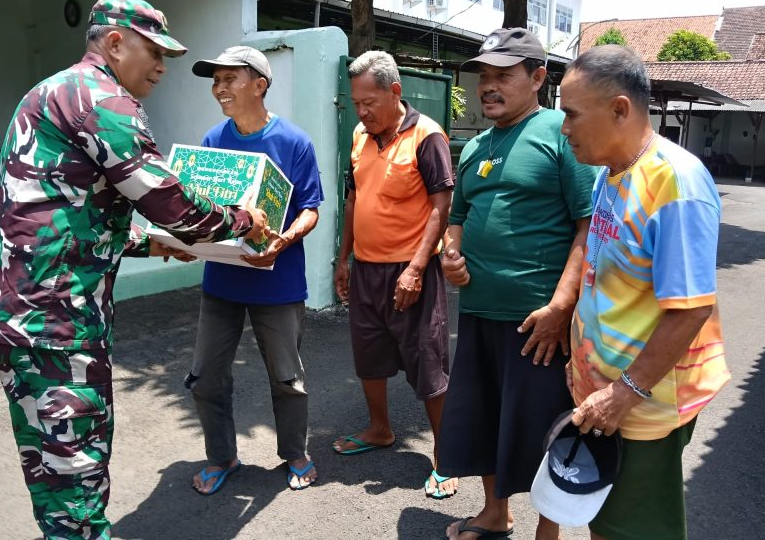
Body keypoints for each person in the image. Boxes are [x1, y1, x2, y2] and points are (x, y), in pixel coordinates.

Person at [0, 0, 267, 539]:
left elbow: (69, 216)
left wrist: (158, 247)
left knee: (50, 473)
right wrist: (243, 221)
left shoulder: (48, 91)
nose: (161, 66)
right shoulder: (104, 99)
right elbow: (173, 204)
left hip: (15, 317)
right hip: (57, 325)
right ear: (114, 43)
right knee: (78, 484)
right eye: (153, 51)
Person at [559, 44, 730, 540]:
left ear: (619, 109)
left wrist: (623, 393)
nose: (564, 127)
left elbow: (690, 310)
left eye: (571, 113)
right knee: (605, 519)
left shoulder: (676, 184)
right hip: (605, 393)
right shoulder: (609, 173)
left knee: (635, 530)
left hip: (642, 404)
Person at [437, 28, 597, 540]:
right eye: (484, 76)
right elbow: (457, 217)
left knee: (545, 428)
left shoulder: (560, 133)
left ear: (537, 77)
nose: (489, 86)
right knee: (486, 419)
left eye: (503, 75)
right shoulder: (475, 145)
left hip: (538, 320)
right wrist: (450, 254)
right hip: (480, 310)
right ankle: (494, 512)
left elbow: (588, 225)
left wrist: (561, 306)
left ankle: (548, 531)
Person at [185, 46, 323, 494]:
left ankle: (295, 453)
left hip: (277, 281)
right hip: (221, 281)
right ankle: (222, 456)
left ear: (260, 85)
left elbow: (310, 208)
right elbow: (202, 210)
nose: (219, 88)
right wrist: (185, 241)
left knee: (287, 377)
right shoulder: (211, 140)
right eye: (215, 81)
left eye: (230, 79)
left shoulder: (294, 142)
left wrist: (282, 241)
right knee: (206, 375)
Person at [332, 50, 456, 499]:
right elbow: (352, 200)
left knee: (428, 362)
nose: (362, 112)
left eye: (370, 103)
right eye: (357, 103)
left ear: (395, 92)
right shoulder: (360, 136)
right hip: (365, 269)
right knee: (369, 355)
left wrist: (418, 268)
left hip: (412, 272)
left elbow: (442, 207)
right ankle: (380, 429)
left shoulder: (428, 136)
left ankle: (446, 455)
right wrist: (342, 259)